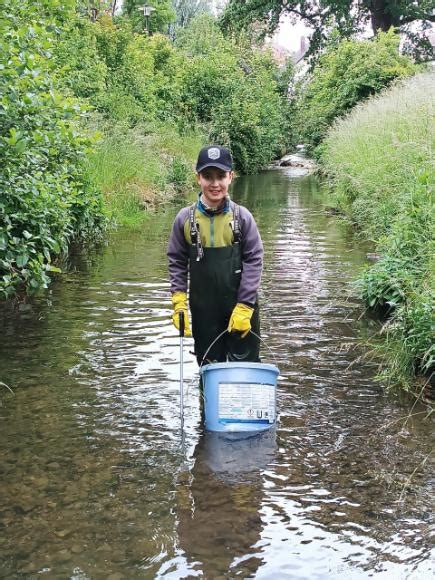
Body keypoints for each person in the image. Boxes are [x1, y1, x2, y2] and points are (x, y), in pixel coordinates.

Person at [167, 145, 263, 365]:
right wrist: (179, 302)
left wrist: (246, 305)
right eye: (208, 176)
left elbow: (254, 260)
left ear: (231, 177)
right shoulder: (184, 219)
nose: (215, 183)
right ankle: (206, 400)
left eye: (221, 176)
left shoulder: (242, 218)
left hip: (241, 309)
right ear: (198, 178)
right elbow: (177, 262)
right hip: (204, 312)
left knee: (244, 369)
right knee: (209, 368)